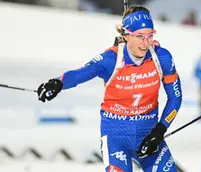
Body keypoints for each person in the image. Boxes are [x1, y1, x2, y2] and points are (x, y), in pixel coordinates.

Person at [37, 5, 182, 172]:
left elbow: (175, 98)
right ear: (126, 35)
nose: (145, 43)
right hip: (115, 137)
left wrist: (160, 130)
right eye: (139, 36)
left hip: (148, 135)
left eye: (150, 36)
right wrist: (57, 83)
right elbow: (79, 74)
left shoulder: (162, 58)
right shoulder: (111, 60)